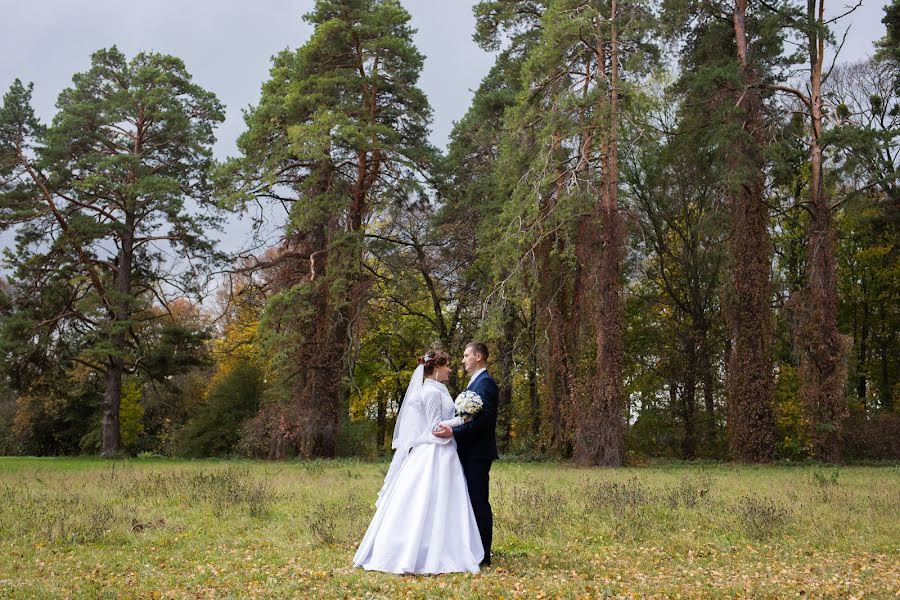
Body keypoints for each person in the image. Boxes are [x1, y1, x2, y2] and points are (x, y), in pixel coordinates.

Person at [353, 350, 484, 574]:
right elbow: (435, 426)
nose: (450, 370)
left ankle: (442, 546)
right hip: (434, 453)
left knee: (442, 501)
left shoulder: (439, 388)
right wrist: (462, 419)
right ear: (436, 369)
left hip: (444, 452)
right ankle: (421, 550)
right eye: (447, 366)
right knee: (427, 499)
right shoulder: (431, 392)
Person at [433, 341, 498, 567]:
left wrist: (455, 431)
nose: (463, 360)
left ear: (478, 356)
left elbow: (483, 423)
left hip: (478, 452)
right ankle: (471, 549)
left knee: (478, 502)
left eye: (466, 355)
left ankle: (484, 555)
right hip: (467, 450)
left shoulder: (486, 383)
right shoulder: (474, 383)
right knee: (468, 501)